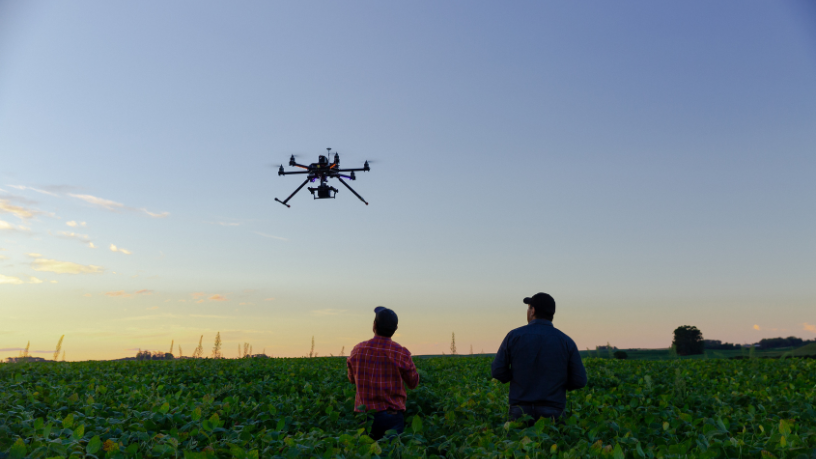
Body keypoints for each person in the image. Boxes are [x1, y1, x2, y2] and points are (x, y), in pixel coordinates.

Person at [491, 292, 587, 425]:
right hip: (553, 411)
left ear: (533, 311)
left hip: (520, 410)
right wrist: (557, 384)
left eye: (529, 307)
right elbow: (579, 380)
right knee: (549, 443)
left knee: (517, 445)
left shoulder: (514, 336)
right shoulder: (566, 341)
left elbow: (497, 371)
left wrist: (516, 378)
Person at [347, 306, 420, 440]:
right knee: (391, 452)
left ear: (374, 325)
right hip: (392, 416)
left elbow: (351, 379)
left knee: (367, 453)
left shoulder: (358, 350)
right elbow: (413, 383)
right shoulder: (400, 352)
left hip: (365, 416)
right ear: (395, 329)